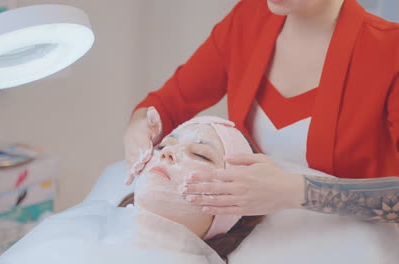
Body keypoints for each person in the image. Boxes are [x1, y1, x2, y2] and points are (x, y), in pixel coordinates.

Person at [124, 0, 399, 223]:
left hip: (353, 245)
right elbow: (166, 105)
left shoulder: (389, 51)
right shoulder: (247, 20)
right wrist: (142, 126)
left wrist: (297, 192)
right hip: (257, 241)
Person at [0, 116, 264, 264]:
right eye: (162, 146)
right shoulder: (71, 226)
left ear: (230, 208)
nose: (168, 153)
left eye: (201, 155)